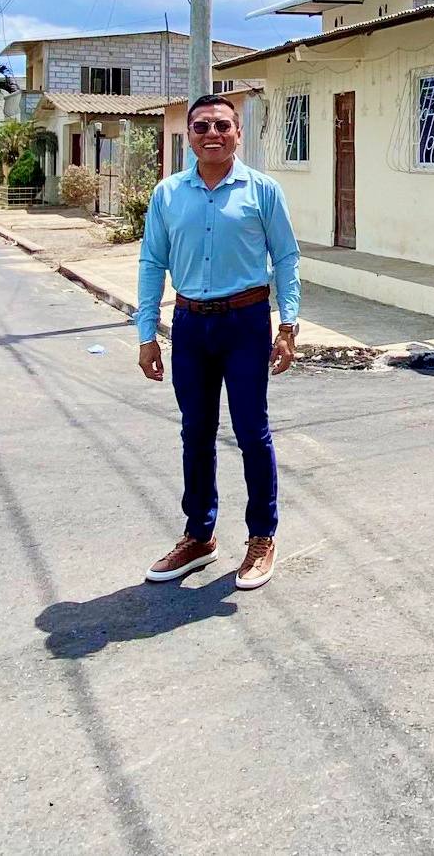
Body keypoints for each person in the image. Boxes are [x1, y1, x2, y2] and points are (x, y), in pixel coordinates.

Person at [136, 93, 301, 592]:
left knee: (252, 432)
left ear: (238, 133)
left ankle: (262, 537)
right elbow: (152, 262)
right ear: (189, 135)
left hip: (245, 322)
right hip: (190, 325)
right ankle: (199, 536)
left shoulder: (262, 190)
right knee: (196, 434)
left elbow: (286, 257)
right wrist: (146, 334)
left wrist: (288, 326)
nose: (213, 134)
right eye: (202, 126)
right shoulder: (168, 194)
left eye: (223, 126)